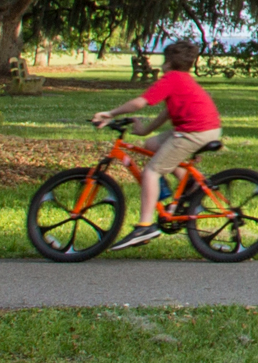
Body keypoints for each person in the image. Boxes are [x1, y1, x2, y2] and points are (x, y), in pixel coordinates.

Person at [94, 38, 225, 251]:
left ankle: (145, 226)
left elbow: (140, 102)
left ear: (168, 62)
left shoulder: (171, 77)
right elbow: (168, 110)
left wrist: (110, 114)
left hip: (195, 132)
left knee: (151, 172)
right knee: (151, 144)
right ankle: (190, 185)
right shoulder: (181, 78)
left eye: (163, 60)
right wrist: (145, 130)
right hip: (200, 128)